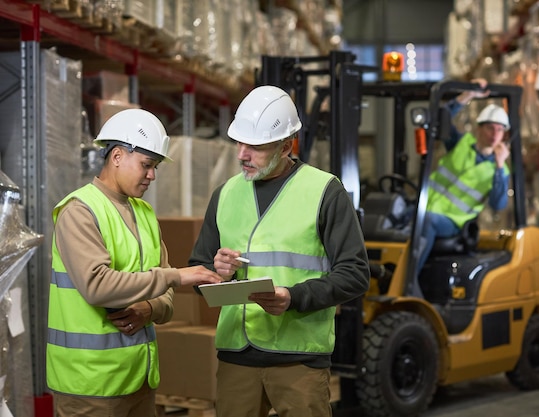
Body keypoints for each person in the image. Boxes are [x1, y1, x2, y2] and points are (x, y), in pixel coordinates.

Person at [188, 85, 370, 417]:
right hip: (236, 358)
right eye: (239, 143)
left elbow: (355, 274)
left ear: (287, 146)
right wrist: (217, 272)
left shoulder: (324, 192)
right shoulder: (225, 194)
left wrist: (293, 297)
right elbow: (198, 270)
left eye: (254, 147)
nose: (242, 154)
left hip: (298, 360)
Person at [46, 108, 223, 417]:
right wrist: (174, 277)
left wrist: (150, 308)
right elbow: (97, 286)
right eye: (146, 165)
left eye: (154, 167)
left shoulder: (144, 214)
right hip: (89, 385)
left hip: (138, 379)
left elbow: (166, 301)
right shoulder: (80, 211)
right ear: (117, 156)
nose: (152, 175)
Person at [414, 79, 511, 292]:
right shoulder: (461, 142)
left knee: (425, 222)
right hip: (426, 207)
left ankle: (409, 283)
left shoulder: (500, 171)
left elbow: (498, 204)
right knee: (395, 211)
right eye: (490, 128)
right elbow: (442, 119)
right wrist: (466, 96)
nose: (494, 134)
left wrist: (499, 165)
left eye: (500, 130)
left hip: (453, 222)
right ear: (479, 129)